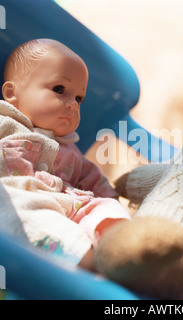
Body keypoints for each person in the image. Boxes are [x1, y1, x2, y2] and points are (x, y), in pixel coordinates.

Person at [0, 38, 130, 267]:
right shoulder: (5, 124)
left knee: (103, 207)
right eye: (59, 89)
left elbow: (93, 180)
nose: (73, 104)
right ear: (12, 92)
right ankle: (83, 261)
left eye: (79, 98)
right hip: (16, 200)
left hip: (68, 206)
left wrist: (110, 201)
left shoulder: (71, 150)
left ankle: (124, 249)